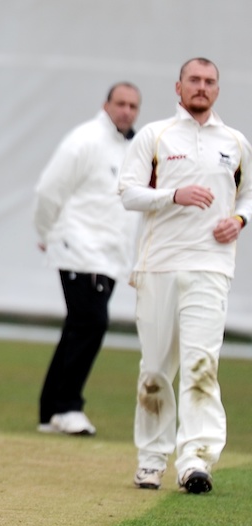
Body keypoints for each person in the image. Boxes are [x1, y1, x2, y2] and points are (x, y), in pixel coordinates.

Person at [120, 58, 252, 494]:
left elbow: (249, 194)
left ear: (217, 90)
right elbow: (128, 193)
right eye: (193, 80)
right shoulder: (155, 135)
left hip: (211, 265)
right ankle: (152, 460)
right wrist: (174, 195)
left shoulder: (234, 142)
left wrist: (239, 219)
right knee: (156, 367)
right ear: (178, 88)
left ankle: (195, 460)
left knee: (201, 364)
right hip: (159, 264)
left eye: (209, 81)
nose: (201, 87)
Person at [32, 82, 142, 436]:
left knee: (78, 326)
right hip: (79, 248)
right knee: (91, 325)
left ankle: (50, 410)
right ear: (106, 104)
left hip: (108, 255)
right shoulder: (85, 140)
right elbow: (49, 190)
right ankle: (67, 407)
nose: (126, 111)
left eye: (133, 106)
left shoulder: (132, 148)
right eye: (120, 103)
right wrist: (46, 232)